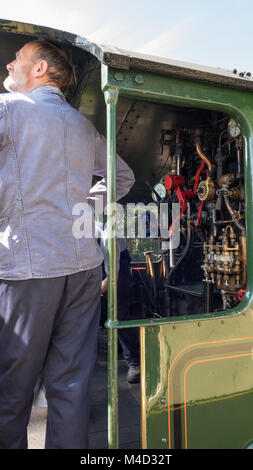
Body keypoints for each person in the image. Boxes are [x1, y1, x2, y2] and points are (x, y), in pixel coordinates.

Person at [0, 40, 135, 449]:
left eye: (17, 58)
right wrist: (80, 206)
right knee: (71, 386)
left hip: (28, 265)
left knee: (12, 388)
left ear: (39, 68)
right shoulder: (82, 125)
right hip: (81, 266)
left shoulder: (8, 111)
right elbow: (123, 177)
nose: (9, 63)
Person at [97, 224, 140, 383]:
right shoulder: (89, 234)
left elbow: (113, 275)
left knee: (118, 312)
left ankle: (135, 362)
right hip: (101, 265)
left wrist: (95, 293)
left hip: (117, 268)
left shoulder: (110, 239)